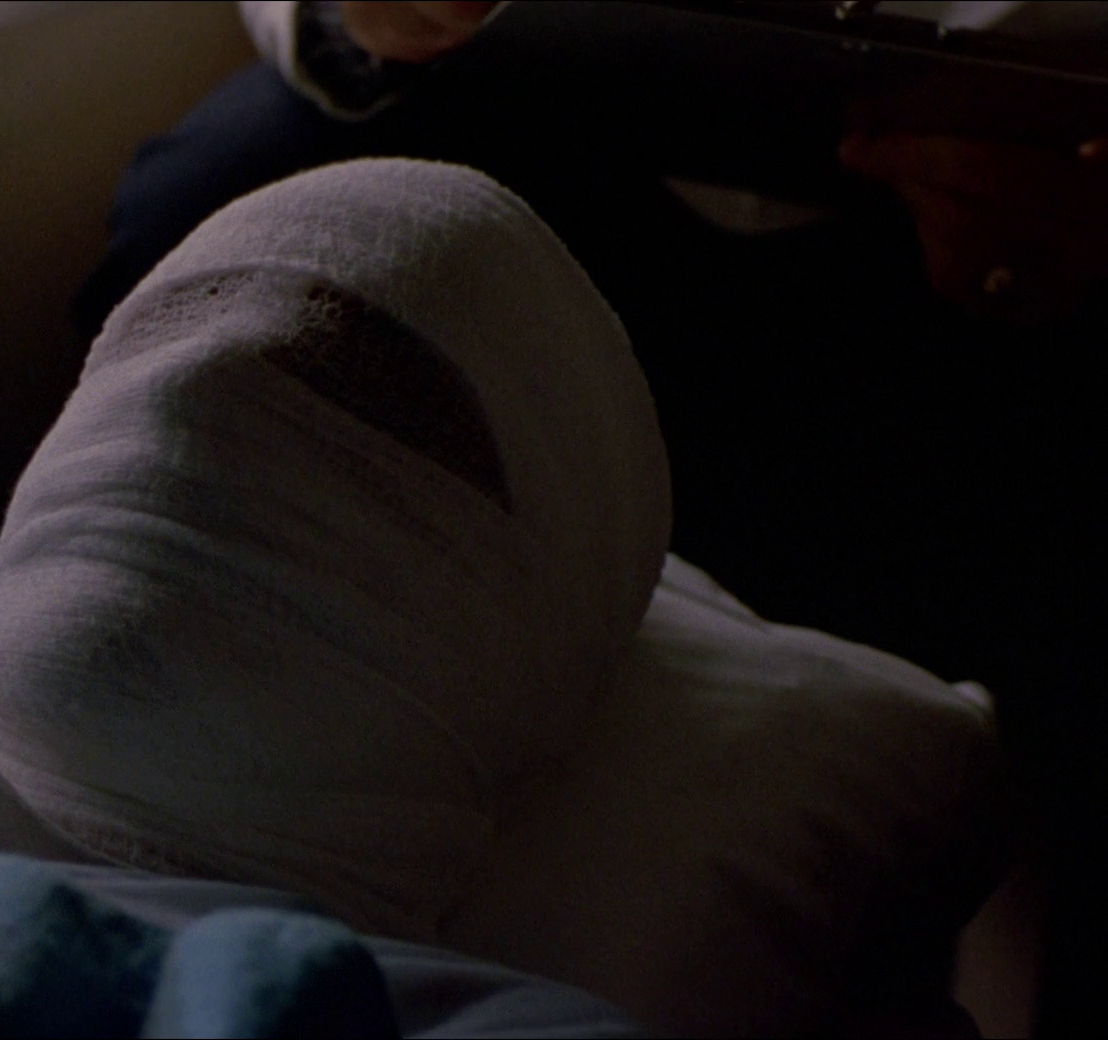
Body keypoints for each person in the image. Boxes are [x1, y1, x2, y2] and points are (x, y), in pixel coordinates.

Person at [70, 2, 1105, 1032]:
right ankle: (147, 770)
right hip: (553, 114)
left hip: (947, 218)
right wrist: (348, 18)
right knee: (196, 202)